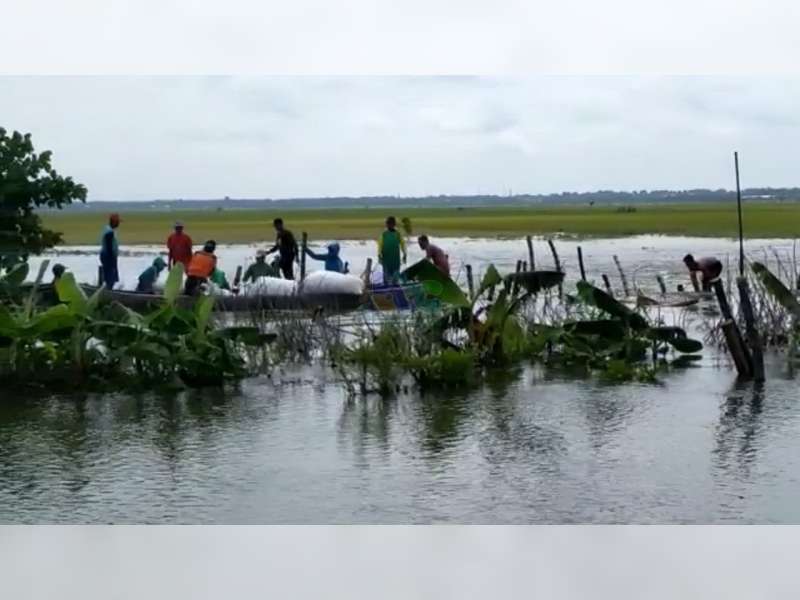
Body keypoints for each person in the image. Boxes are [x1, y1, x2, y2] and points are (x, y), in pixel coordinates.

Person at [377, 216, 406, 285]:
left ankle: (395, 290)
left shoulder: (398, 234)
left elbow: (402, 244)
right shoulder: (384, 234)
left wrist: (404, 254)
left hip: (395, 260)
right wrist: (379, 255)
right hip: (386, 260)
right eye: (387, 224)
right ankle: (386, 291)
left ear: (394, 224)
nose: (388, 225)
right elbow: (380, 245)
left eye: (390, 223)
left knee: (395, 278)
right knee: (386, 278)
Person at [99, 213, 121, 289]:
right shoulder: (109, 232)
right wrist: (112, 259)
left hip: (106, 255)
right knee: (110, 277)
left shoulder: (108, 229)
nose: (118, 224)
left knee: (109, 276)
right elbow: (109, 247)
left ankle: (107, 290)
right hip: (108, 257)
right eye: (118, 222)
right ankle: (108, 292)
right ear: (114, 222)